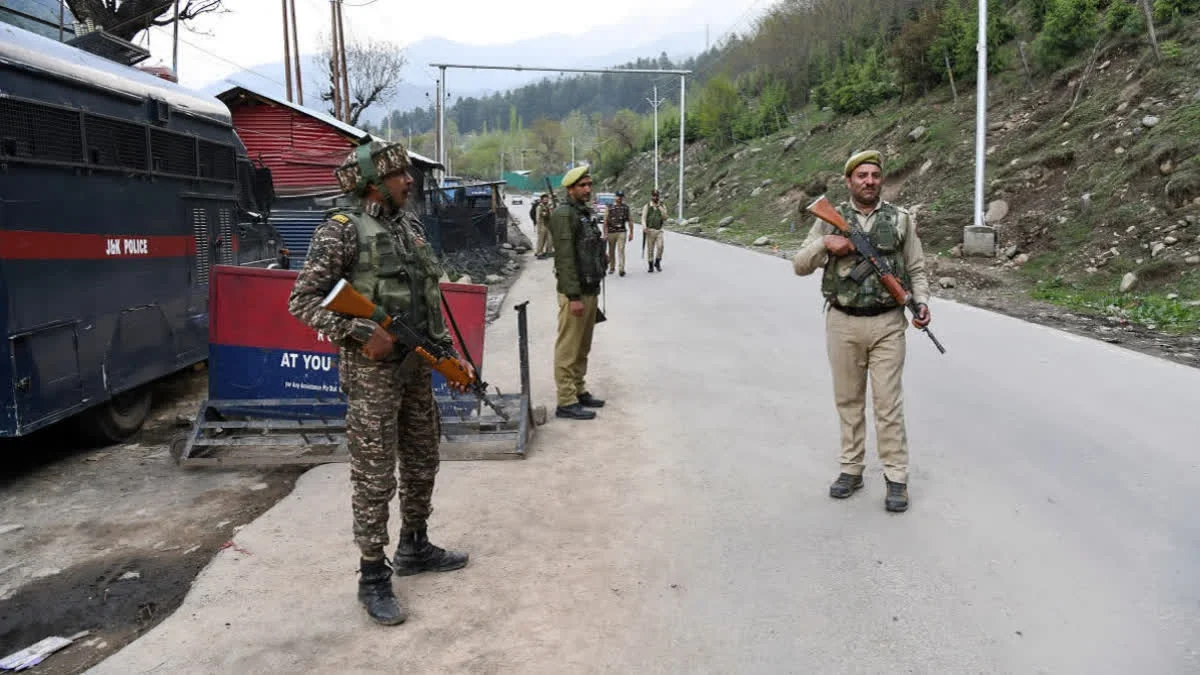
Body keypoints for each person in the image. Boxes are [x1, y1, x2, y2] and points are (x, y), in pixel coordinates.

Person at [287, 140, 471, 625]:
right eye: (401, 175)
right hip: (372, 377)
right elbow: (302, 299)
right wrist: (358, 331)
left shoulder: (408, 226)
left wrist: (448, 356)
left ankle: (415, 545)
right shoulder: (341, 231)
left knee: (423, 457)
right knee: (374, 476)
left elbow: (429, 296)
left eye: (409, 173)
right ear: (374, 183)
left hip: (416, 367)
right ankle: (372, 576)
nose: (411, 181)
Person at [791, 150, 932, 513]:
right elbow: (799, 265)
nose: (869, 181)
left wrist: (921, 303)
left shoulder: (900, 219)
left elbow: (916, 268)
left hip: (887, 322)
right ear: (849, 181)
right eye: (861, 175)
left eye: (875, 175)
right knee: (849, 401)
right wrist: (826, 244)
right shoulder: (829, 220)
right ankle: (851, 469)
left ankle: (896, 478)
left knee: (888, 404)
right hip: (842, 322)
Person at [550, 165, 607, 420]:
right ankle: (565, 400)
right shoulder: (564, 215)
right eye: (582, 185)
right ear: (570, 188)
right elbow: (565, 259)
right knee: (568, 347)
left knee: (583, 347)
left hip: (590, 289)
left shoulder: (583, 213)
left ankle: (579, 389)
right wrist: (573, 297)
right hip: (576, 293)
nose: (587, 189)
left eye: (589, 184)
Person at [603, 190, 633, 276]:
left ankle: (621, 269)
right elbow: (605, 221)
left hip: (621, 231)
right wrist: (605, 234)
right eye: (618, 196)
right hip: (611, 232)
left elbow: (630, 220)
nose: (619, 198)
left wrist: (631, 233)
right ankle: (612, 267)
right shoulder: (609, 207)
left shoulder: (625, 208)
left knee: (621, 249)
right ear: (615, 197)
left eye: (621, 197)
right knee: (611, 251)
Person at [641, 189, 667, 273]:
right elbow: (643, 218)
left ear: (658, 197)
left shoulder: (662, 206)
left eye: (656, 196)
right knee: (650, 249)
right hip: (650, 230)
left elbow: (665, 217)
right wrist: (644, 227)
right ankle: (650, 265)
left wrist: (660, 207)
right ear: (651, 196)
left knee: (660, 246)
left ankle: (657, 262)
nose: (655, 197)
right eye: (653, 195)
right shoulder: (647, 206)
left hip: (659, 230)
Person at [534, 193, 555, 259]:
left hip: (548, 225)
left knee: (550, 239)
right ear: (542, 200)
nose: (546, 200)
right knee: (541, 240)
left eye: (547, 199)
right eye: (545, 199)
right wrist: (539, 227)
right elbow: (537, 217)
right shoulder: (539, 207)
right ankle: (539, 252)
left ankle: (548, 251)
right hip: (542, 225)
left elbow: (551, 215)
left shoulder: (548, 206)